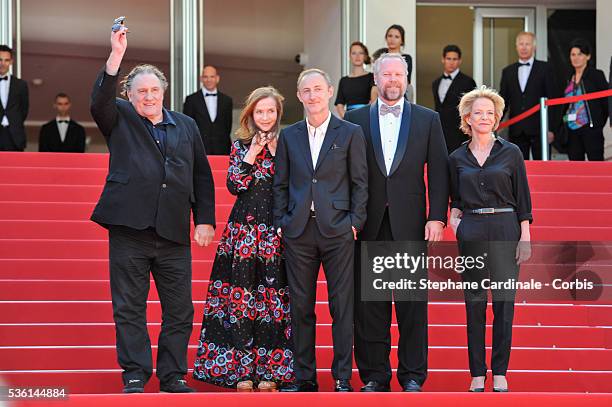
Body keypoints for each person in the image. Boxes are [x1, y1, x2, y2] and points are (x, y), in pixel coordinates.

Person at [90, 25, 216, 394]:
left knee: (180, 311)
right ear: (129, 95)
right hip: (130, 229)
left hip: (174, 232)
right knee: (129, 307)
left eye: (154, 90)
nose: (148, 96)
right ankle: (134, 374)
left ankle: (173, 375)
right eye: (141, 91)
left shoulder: (187, 125)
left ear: (164, 92)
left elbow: (202, 177)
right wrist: (115, 56)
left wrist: (204, 219)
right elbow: (99, 102)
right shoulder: (119, 117)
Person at [345, 53, 449, 393]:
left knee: (411, 307)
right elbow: (344, 172)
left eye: (398, 74)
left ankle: (413, 376)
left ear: (407, 79)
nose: (392, 80)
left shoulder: (427, 119)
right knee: (370, 307)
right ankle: (375, 375)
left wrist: (436, 216)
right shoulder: (355, 118)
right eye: (386, 74)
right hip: (368, 222)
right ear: (375, 79)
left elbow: (438, 170)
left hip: (411, 224)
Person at [193, 87, 294, 392]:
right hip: (244, 233)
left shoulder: (289, 145)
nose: (265, 117)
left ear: (278, 114)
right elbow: (235, 185)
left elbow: (293, 186)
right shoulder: (240, 145)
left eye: (271, 111)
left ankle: (269, 372)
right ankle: (239, 371)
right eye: (260, 111)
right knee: (240, 300)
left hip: (275, 230)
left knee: (272, 301)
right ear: (251, 114)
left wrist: (275, 152)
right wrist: (252, 153)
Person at [273, 68, 368, 392]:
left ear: (330, 91)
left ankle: (342, 378)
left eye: (318, 89)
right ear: (299, 96)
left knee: (342, 307)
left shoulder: (350, 132)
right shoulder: (289, 135)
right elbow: (280, 184)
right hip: (298, 231)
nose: (312, 95)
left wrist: (355, 223)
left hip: (338, 230)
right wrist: (282, 222)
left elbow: (360, 182)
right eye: (306, 91)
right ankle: (305, 378)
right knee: (301, 307)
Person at [449, 86, 532, 393]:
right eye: (478, 113)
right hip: (471, 229)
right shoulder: (456, 156)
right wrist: (458, 225)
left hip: (505, 228)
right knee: (474, 304)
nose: (484, 118)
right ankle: (476, 372)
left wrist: (525, 235)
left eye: (490, 113)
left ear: (497, 119)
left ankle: (499, 371)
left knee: (504, 304)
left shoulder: (511, 153)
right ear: (467, 118)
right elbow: (454, 199)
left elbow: (523, 197)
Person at [499, 32, 561, 160]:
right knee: (518, 169)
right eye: (521, 44)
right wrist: (494, 123)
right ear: (516, 47)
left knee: (543, 168)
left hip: (541, 129)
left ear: (534, 47)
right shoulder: (508, 71)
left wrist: (552, 129)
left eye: (527, 44)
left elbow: (553, 100)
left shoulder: (546, 68)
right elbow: (503, 101)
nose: (524, 47)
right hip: (516, 129)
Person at [561, 39, 609, 161]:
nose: (576, 58)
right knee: (575, 167)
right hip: (571, 129)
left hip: (590, 128)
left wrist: (597, 123)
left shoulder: (596, 75)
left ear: (588, 56)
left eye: (580, 54)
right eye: (573, 54)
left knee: (596, 166)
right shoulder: (567, 76)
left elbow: (605, 102)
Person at [432, 45, 476, 153]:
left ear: (460, 61)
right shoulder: (436, 83)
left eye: (455, 59)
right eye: (448, 59)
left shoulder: (468, 82)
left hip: (460, 134)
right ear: (443, 59)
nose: (451, 62)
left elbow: (472, 108)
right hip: (440, 133)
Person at [183, 65, 233, 155]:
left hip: (222, 150)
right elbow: (187, 127)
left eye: (212, 77)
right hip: (198, 149)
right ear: (201, 79)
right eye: (205, 77)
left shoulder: (227, 101)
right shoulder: (191, 100)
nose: (209, 80)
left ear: (217, 78)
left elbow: (227, 127)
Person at [335, 41, 377, 118]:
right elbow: (339, 104)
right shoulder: (344, 80)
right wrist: (346, 119)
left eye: (360, 53)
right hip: (349, 119)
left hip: (367, 116)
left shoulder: (372, 77)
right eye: (354, 53)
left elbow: (374, 99)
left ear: (365, 56)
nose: (357, 56)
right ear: (350, 56)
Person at [0, 45, 29, 151]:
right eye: (0, 60)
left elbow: (24, 110)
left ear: (11, 62)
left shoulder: (21, 85)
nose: (3, 63)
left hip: (14, 137)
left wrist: (14, 122)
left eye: (6, 60)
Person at [383, 25, 414, 102]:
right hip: (383, 96)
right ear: (386, 38)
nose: (392, 39)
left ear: (402, 41)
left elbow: (406, 81)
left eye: (396, 37)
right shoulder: (381, 58)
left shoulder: (407, 58)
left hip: (401, 96)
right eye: (390, 36)